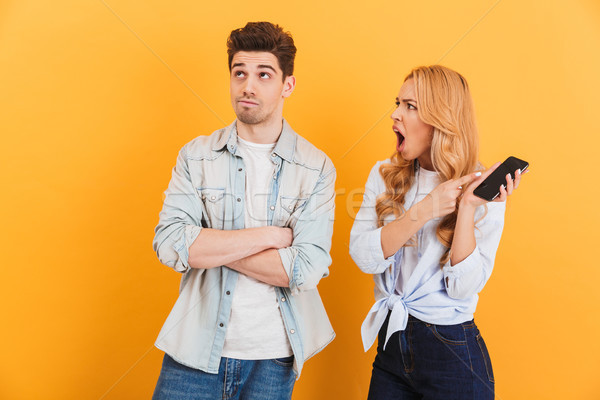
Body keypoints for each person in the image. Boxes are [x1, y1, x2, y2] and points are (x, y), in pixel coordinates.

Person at [152, 22, 336, 400]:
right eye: (240, 73)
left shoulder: (317, 167)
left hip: (273, 359)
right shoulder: (196, 156)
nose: (247, 86)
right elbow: (171, 245)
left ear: (287, 85)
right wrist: (268, 237)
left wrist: (212, 248)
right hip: (196, 349)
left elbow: (305, 268)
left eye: (263, 74)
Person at [349, 65, 525, 400]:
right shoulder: (383, 175)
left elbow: (461, 288)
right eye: (398, 103)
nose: (395, 115)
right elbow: (363, 256)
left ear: (441, 120)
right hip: (391, 343)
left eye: (410, 106)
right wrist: (425, 209)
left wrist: (468, 208)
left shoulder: (481, 188)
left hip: (450, 351)